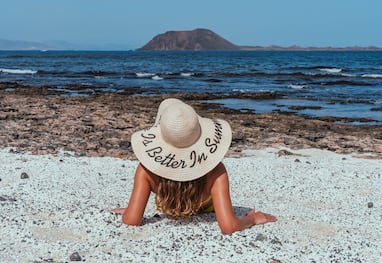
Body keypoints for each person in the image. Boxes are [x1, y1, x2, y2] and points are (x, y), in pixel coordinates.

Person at [112, 98, 276, 234]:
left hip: (170, 206)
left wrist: (132, 210)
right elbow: (229, 226)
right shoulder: (216, 172)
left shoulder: (146, 171)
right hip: (206, 207)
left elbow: (131, 221)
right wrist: (252, 219)